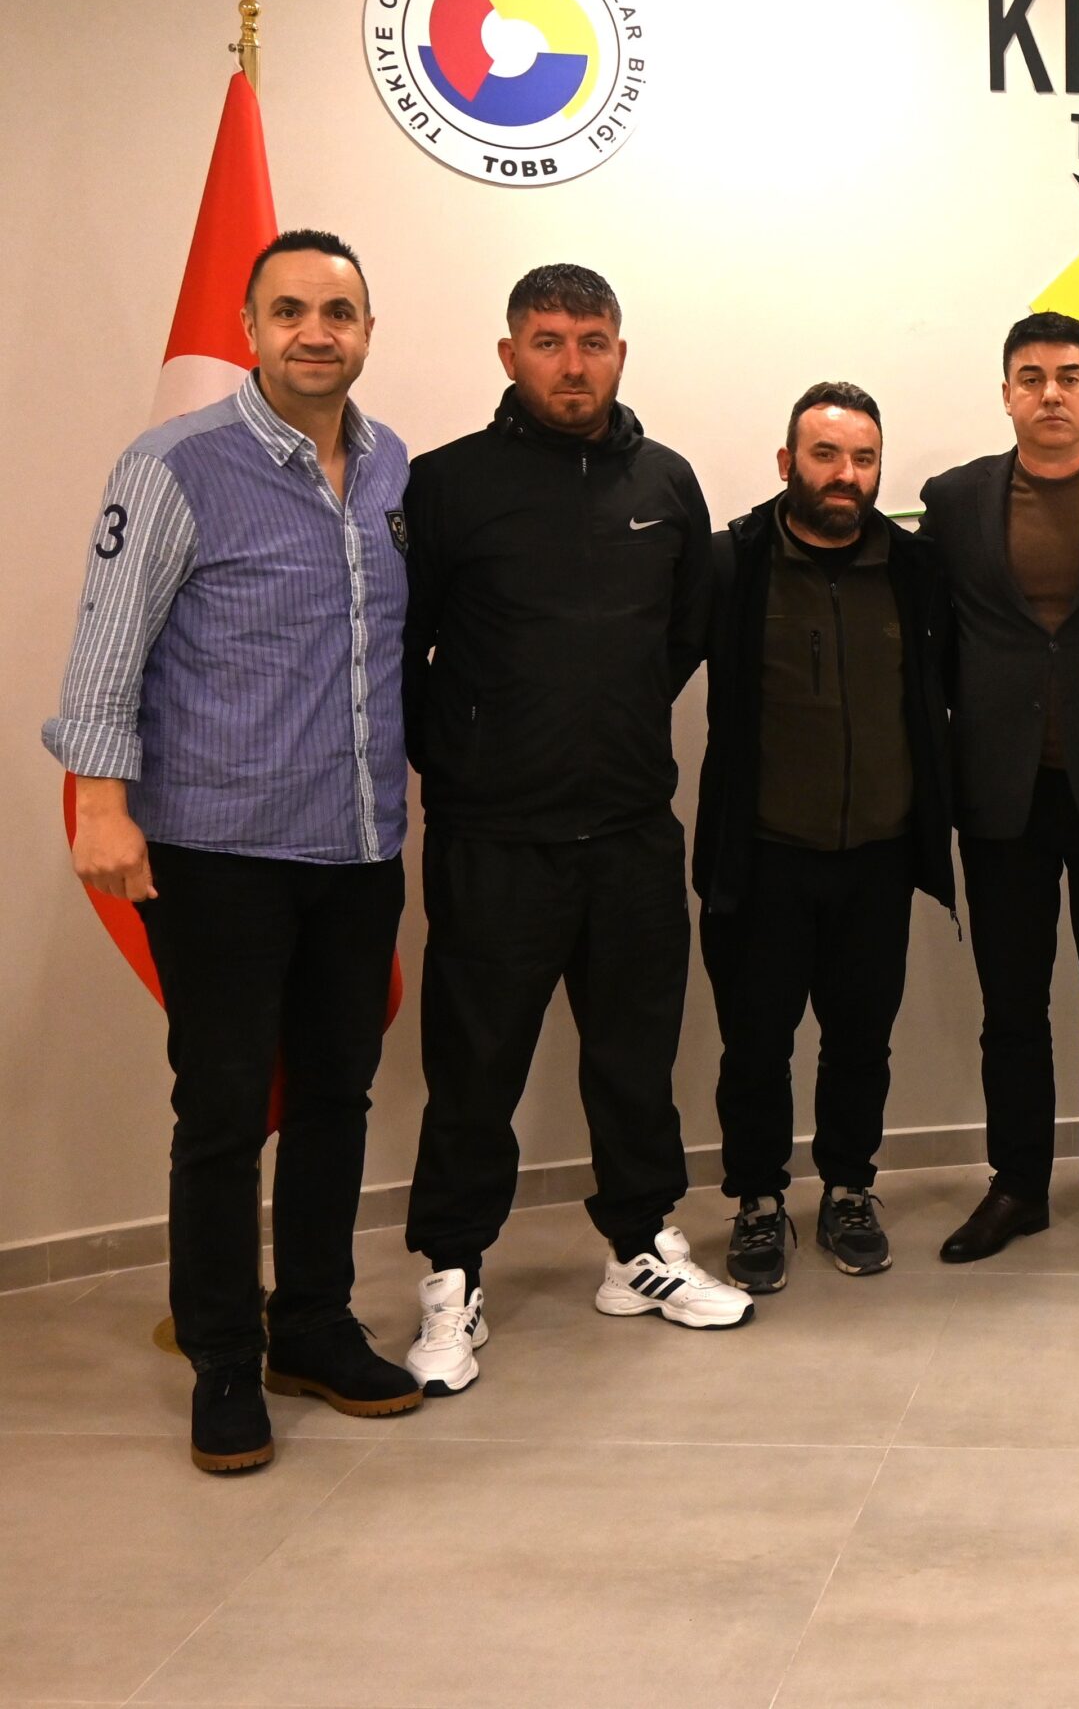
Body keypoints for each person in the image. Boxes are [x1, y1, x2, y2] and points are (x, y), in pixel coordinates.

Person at [46, 228, 422, 1472]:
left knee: (334, 1094)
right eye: (291, 310)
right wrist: (101, 804)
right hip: (216, 851)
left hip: (356, 843)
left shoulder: (392, 467)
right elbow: (108, 644)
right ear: (252, 327)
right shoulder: (174, 465)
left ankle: (311, 1323)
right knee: (220, 1107)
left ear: (366, 332)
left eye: (339, 312)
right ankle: (222, 1352)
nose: (317, 331)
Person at [400, 263, 748, 1397]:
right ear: (510, 355)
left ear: (620, 353)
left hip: (632, 831)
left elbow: (683, 635)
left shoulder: (666, 480)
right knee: (473, 1072)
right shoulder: (447, 483)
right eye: (547, 341)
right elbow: (401, 647)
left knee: (635, 1061)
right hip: (494, 838)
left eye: (592, 341)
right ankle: (453, 1274)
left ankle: (639, 1246)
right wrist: (464, 759)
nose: (572, 363)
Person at [919, 315, 1079, 1266]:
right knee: (1011, 1010)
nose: (1051, 393)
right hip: (1002, 794)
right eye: (1030, 377)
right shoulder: (954, 500)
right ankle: (1018, 1185)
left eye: (1070, 375)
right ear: (1006, 394)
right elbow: (934, 645)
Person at [697, 382, 954, 1290]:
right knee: (755, 1046)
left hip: (877, 857)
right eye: (826, 455)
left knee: (860, 1043)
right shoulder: (732, 564)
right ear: (787, 462)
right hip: (762, 857)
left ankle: (849, 1187)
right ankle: (758, 1198)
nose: (846, 474)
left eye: (863, 458)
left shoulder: (915, 570)